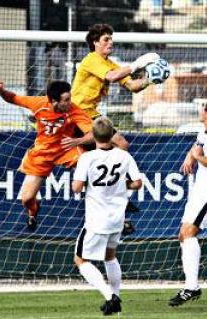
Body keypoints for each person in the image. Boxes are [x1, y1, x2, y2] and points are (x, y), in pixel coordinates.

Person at [71, 24, 161, 228]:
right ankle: (115, 193)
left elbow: (133, 87)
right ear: (95, 43)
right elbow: (111, 77)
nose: (110, 42)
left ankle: (117, 199)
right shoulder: (91, 60)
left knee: (120, 146)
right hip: (77, 114)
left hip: (90, 114)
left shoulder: (110, 63)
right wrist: (139, 63)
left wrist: (150, 78)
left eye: (111, 39)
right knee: (118, 144)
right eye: (105, 39)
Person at [0, 78, 94, 231]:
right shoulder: (39, 104)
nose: (69, 102)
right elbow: (12, 98)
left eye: (70, 98)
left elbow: (93, 134)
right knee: (26, 199)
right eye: (65, 100)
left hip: (67, 148)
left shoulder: (74, 110)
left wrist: (78, 140)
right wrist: (1, 91)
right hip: (43, 153)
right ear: (53, 101)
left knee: (91, 167)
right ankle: (33, 212)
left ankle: (116, 204)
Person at [72, 117, 142, 315]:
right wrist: (120, 185)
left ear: (93, 136)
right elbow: (137, 183)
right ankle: (116, 295)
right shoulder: (124, 156)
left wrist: (87, 183)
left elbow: (76, 188)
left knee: (80, 260)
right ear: (112, 135)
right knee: (110, 257)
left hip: (96, 219)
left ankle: (109, 295)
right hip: (117, 218)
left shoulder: (87, 158)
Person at [169, 97, 207, 307]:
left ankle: (191, 287)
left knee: (189, 234)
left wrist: (196, 157)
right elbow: (197, 145)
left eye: (203, 107)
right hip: (200, 191)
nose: (201, 109)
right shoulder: (205, 131)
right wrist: (190, 156)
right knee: (183, 235)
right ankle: (191, 286)